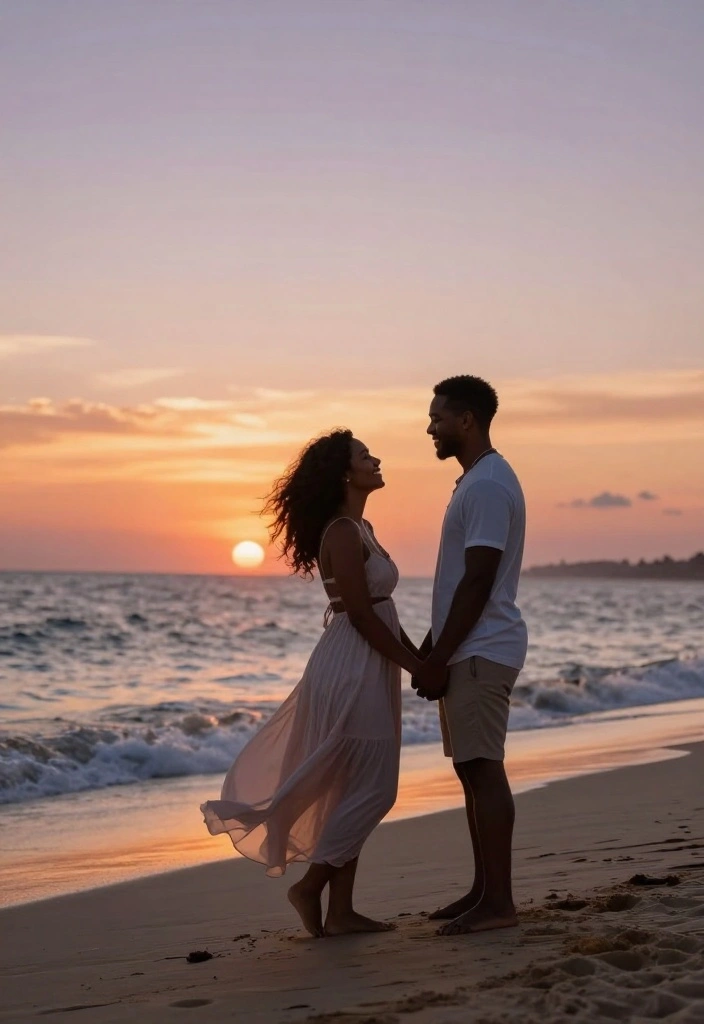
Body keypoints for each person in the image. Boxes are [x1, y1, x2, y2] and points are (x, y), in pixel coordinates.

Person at [201, 429, 422, 937]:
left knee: (354, 788)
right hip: (351, 667)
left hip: (368, 662)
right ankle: (310, 887)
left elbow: (380, 612)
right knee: (375, 787)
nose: (376, 459)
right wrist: (415, 667)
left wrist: (418, 656)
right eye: (366, 456)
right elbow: (363, 617)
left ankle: (342, 911)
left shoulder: (362, 526)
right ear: (346, 473)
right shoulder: (342, 532)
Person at [412, 375, 527, 935]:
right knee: (469, 771)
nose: (429, 426)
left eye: (437, 416)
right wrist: (435, 642)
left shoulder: (484, 486)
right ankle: (483, 890)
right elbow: (463, 577)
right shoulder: (475, 482)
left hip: (483, 649)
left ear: (467, 420)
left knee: (484, 770)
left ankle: (499, 903)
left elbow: (480, 580)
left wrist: (441, 656)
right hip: (469, 646)